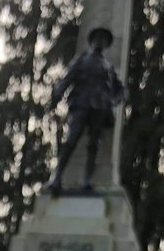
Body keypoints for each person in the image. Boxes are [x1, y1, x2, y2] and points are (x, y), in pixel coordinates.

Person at [45, 26, 124, 195]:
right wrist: (56, 96)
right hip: (81, 103)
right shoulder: (81, 59)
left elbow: (121, 89)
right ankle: (56, 176)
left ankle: (87, 180)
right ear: (92, 42)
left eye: (103, 40)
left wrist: (114, 100)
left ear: (106, 45)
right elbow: (67, 78)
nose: (100, 42)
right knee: (71, 140)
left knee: (93, 145)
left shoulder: (108, 67)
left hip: (100, 107)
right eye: (97, 39)